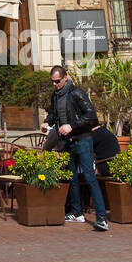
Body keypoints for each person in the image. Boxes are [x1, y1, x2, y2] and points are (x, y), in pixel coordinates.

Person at [43, 65, 108, 231]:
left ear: (65, 78)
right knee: (71, 177)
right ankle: (77, 212)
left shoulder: (77, 93)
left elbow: (91, 116)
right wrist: (47, 122)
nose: (55, 84)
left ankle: (101, 218)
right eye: (52, 81)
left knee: (89, 177)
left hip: (82, 140)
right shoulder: (55, 96)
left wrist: (71, 126)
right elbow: (53, 113)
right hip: (66, 142)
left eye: (57, 81)